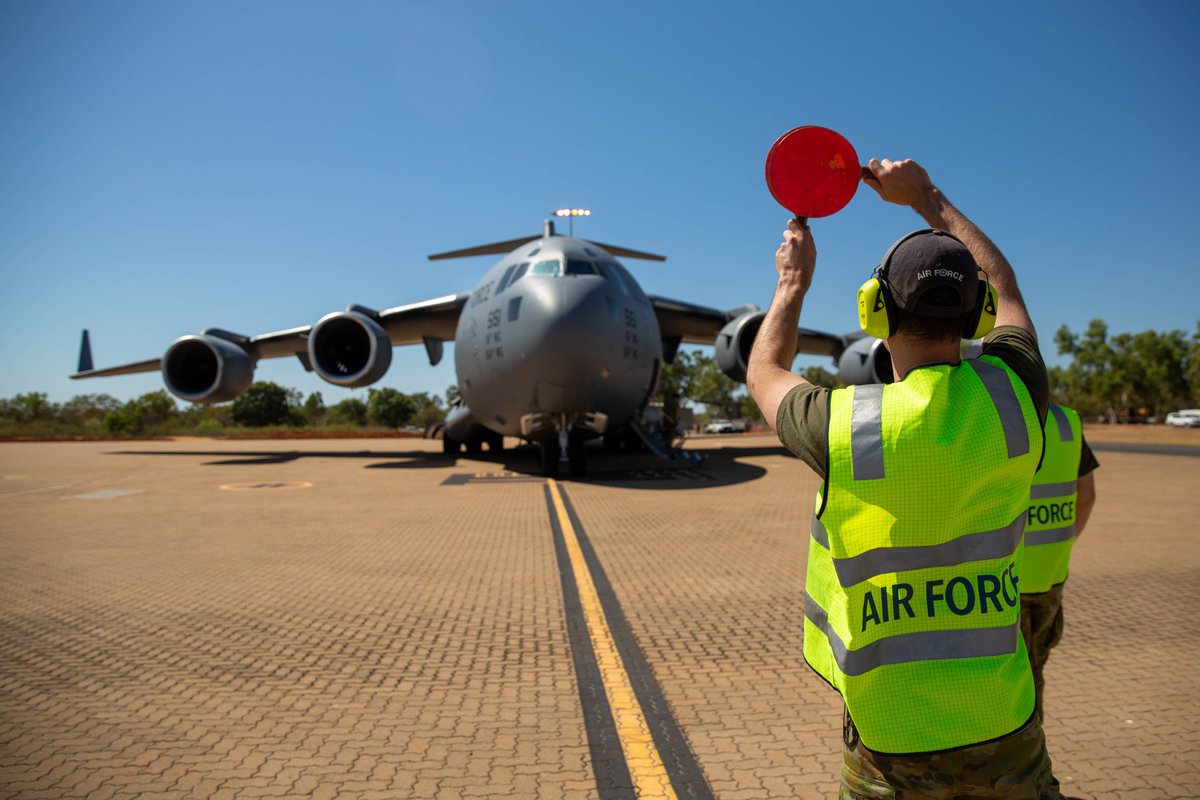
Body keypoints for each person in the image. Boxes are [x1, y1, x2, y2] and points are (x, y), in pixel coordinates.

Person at [747, 157, 1064, 798]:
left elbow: (763, 372)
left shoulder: (842, 423)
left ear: (874, 311)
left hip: (889, 740)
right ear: (977, 317)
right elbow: (1011, 293)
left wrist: (791, 283)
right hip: (1003, 727)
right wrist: (926, 198)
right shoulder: (1015, 395)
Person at [1021, 403, 1099, 721]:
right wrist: (1061, 544)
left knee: (1004, 689)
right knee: (1034, 675)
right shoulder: (1067, 422)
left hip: (1002, 581)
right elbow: (1088, 495)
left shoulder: (996, 415)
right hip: (1050, 578)